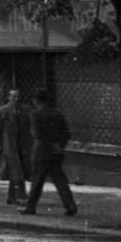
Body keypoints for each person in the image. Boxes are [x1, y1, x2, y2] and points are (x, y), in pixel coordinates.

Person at [22, 88, 76, 216]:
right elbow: (66, 133)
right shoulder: (57, 114)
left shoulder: (34, 114)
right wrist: (58, 145)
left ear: (35, 100)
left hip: (41, 152)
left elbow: (37, 134)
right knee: (60, 181)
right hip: (55, 153)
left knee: (37, 181)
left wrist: (50, 145)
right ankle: (70, 205)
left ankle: (30, 207)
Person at [0, 88, 33, 205]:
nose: (16, 99)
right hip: (9, 147)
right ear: (9, 97)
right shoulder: (2, 111)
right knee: (17, 172)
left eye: (18, 96)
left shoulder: (27, 110)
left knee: (16, 171)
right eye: (13, 97)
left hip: (23, 147)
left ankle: (11, 197)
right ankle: (20, 197)